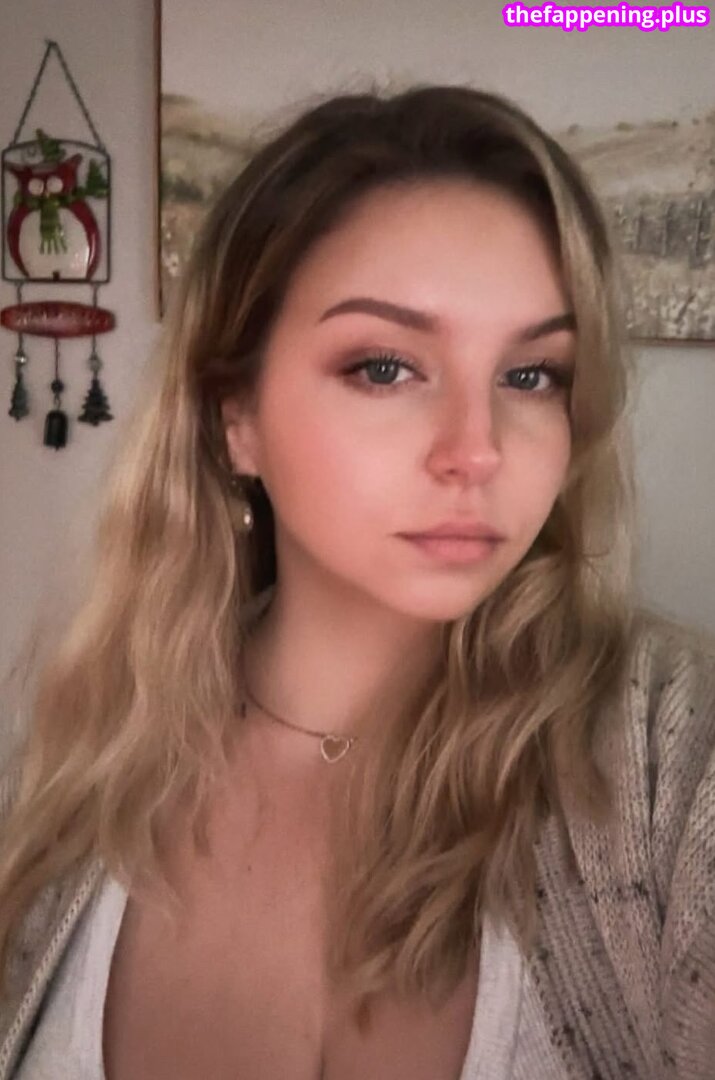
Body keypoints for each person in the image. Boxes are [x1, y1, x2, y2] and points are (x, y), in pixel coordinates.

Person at [0, 82, 713, 1080]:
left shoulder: (661, 765)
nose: (477, 450)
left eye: (531, 375)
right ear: (235, 417)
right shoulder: (91, 760)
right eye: (384, 367)